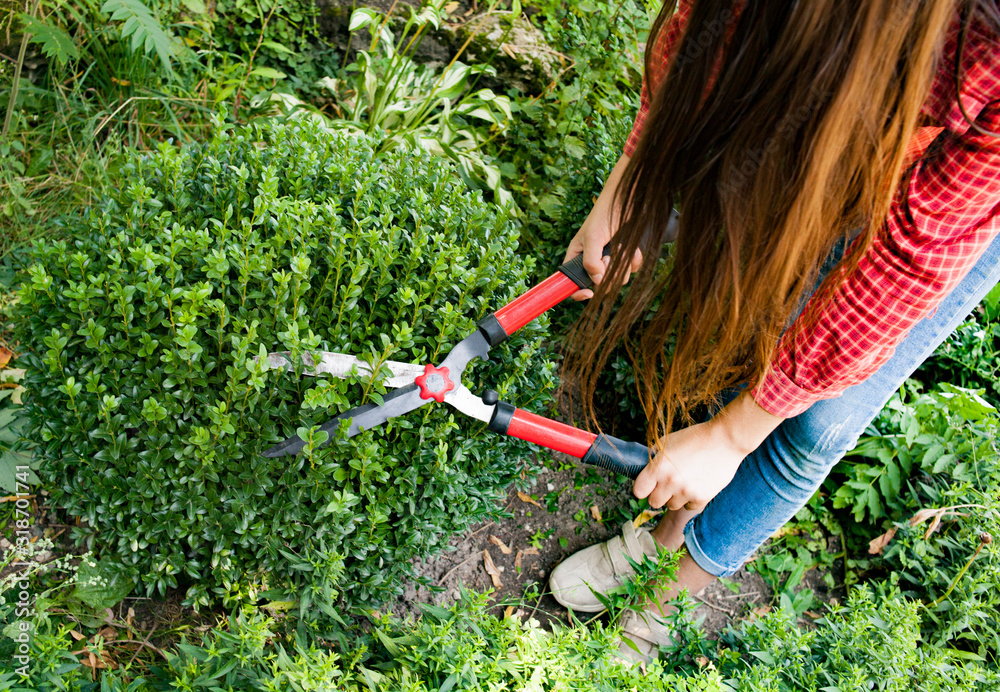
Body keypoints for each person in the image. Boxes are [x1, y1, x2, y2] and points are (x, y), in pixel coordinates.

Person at [548, 0, 1000, 663]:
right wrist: (630, 187)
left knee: (820, 420)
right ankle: (659, 536)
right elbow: (703, 37)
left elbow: (903, 266)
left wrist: (732, 437)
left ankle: (669, 595)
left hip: (970, 192)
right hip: (844, 102)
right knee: (770, 314)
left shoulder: (987, 42)